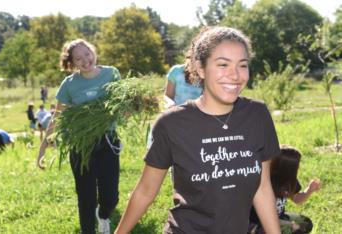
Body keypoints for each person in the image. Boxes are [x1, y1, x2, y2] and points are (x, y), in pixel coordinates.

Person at [114, 26, 281, 234]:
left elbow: (262, 187)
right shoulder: (172, 123)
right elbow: (145, 191)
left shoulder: (257, 115)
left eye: (243, 65)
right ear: (200, 68)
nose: (235, 75)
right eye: (222, 64)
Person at [37, 39, 122, 234]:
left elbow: (122, 103)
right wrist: (42, 149)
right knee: (86, 197)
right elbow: (56, 118)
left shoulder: (111, 74)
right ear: (72, 63)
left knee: (111, 197)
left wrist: (125, 110)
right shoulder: (69, 85)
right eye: (78, 58)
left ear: (93, 52)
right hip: (80, 145)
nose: (85, 60)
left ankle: (103, 215)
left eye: (87, 54)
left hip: (107, 141)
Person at [248, 146, 321, 234]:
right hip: (261, 222)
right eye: (297, 166)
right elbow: (268, 217)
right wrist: (290, 224)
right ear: (287, 169)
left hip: (279, 218)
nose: (299, 168)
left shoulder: (289, 181)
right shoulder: (267, 184)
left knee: (306, 223)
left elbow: (297, 199)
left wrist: (309, 190)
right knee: (296, 230)